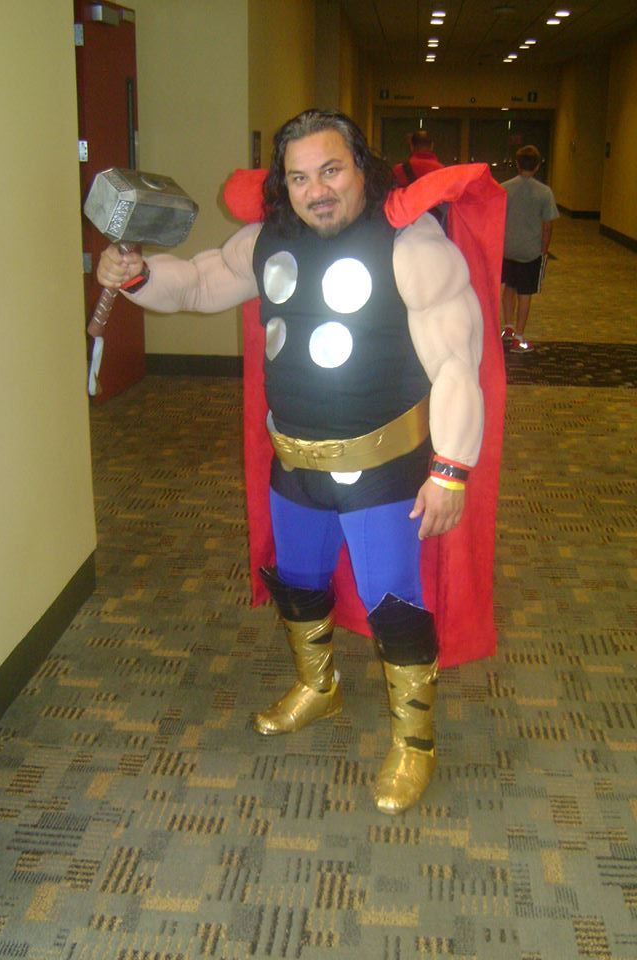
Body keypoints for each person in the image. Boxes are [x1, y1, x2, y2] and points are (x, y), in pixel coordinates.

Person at [96, 109, 494, 816]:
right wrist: (136, 276)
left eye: (331, 170)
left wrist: (451, 468)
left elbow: (457, 362)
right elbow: (196, 285)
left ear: (361, 168)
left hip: (381, 471)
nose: (318, 191)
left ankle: (414, 741)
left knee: (394, 603)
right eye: (300, 177)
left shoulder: (411, 244)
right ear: (284, 184)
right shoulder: (266, 240)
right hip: (294, 463)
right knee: (301, 584)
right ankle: (319, 686)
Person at [500, 145, 559, 353]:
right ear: (537, 166)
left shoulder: (504, 188)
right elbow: (548, 225)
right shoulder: (544, 192)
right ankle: (519, 337)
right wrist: (544, 250)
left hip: (507, 249)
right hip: (530, 251)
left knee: (509, 286)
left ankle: (508, 327)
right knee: (525, 293)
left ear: (517, 164)